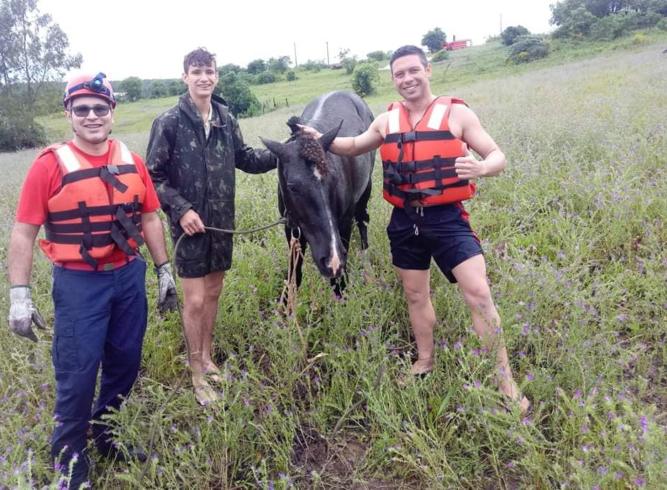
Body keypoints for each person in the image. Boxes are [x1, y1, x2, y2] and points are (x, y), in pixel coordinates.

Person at [300, 45, 530, 414]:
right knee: (415, 295)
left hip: (447, 218)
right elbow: (356, 145)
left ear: (428, 70)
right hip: (405, 220)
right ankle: (425, 360)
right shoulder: (386, 120)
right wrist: (316, 137)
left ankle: (505, 381)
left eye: (412, 71)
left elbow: (496, 155)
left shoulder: (457, 113)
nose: (407, 79)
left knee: (479, 294)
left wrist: (482, 168)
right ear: (393, 79)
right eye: (399, 74)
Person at [7, 72, 179, 487]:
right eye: (81, 109)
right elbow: (23, 232)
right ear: (69, 114)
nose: (91, 116)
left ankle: (107, 437)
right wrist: (18, 296)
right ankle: (69, 459)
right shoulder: (49, 165)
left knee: (124, 364)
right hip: (79, 284)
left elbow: (151, 217)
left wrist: (163, 271)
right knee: (78, 372)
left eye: (100, 108)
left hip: (127, 278)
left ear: (112, 113)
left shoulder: (132, 160)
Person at [146, 48, 277, 405]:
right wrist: (182, 209)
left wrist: (288, 151)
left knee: (214, 293)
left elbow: (246, 158)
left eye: (209, 71)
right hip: (188, 225)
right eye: (196, 71)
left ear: (216, 76)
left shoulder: (224, 119)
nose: (203, 77)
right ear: (185, 76)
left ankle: (207, 356)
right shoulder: (169, 122)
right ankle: (195, 373)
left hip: (221, 223)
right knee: (195, 299)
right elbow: (152, 177)